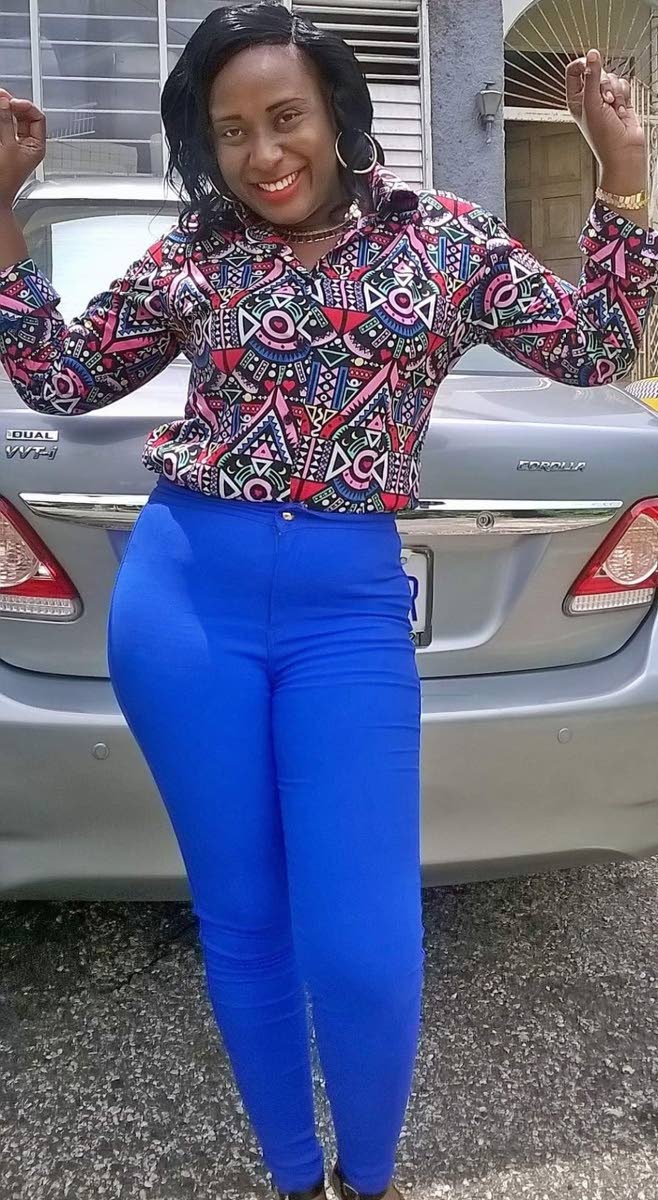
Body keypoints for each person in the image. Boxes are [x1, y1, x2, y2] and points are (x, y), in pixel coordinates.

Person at [0, 6, 656, 1197]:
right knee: (243, 917)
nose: (262, 153)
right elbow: (58, 374)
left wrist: (620, 178)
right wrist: (4, 205)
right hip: (183, 601)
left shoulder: (442, 239)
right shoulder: (199, 251)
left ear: (338, 114)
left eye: (285, 116)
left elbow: (595, 350)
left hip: (344, 611)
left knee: (361, 940)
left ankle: (370, 1177)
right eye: (231, 130)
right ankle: (295, 1176)